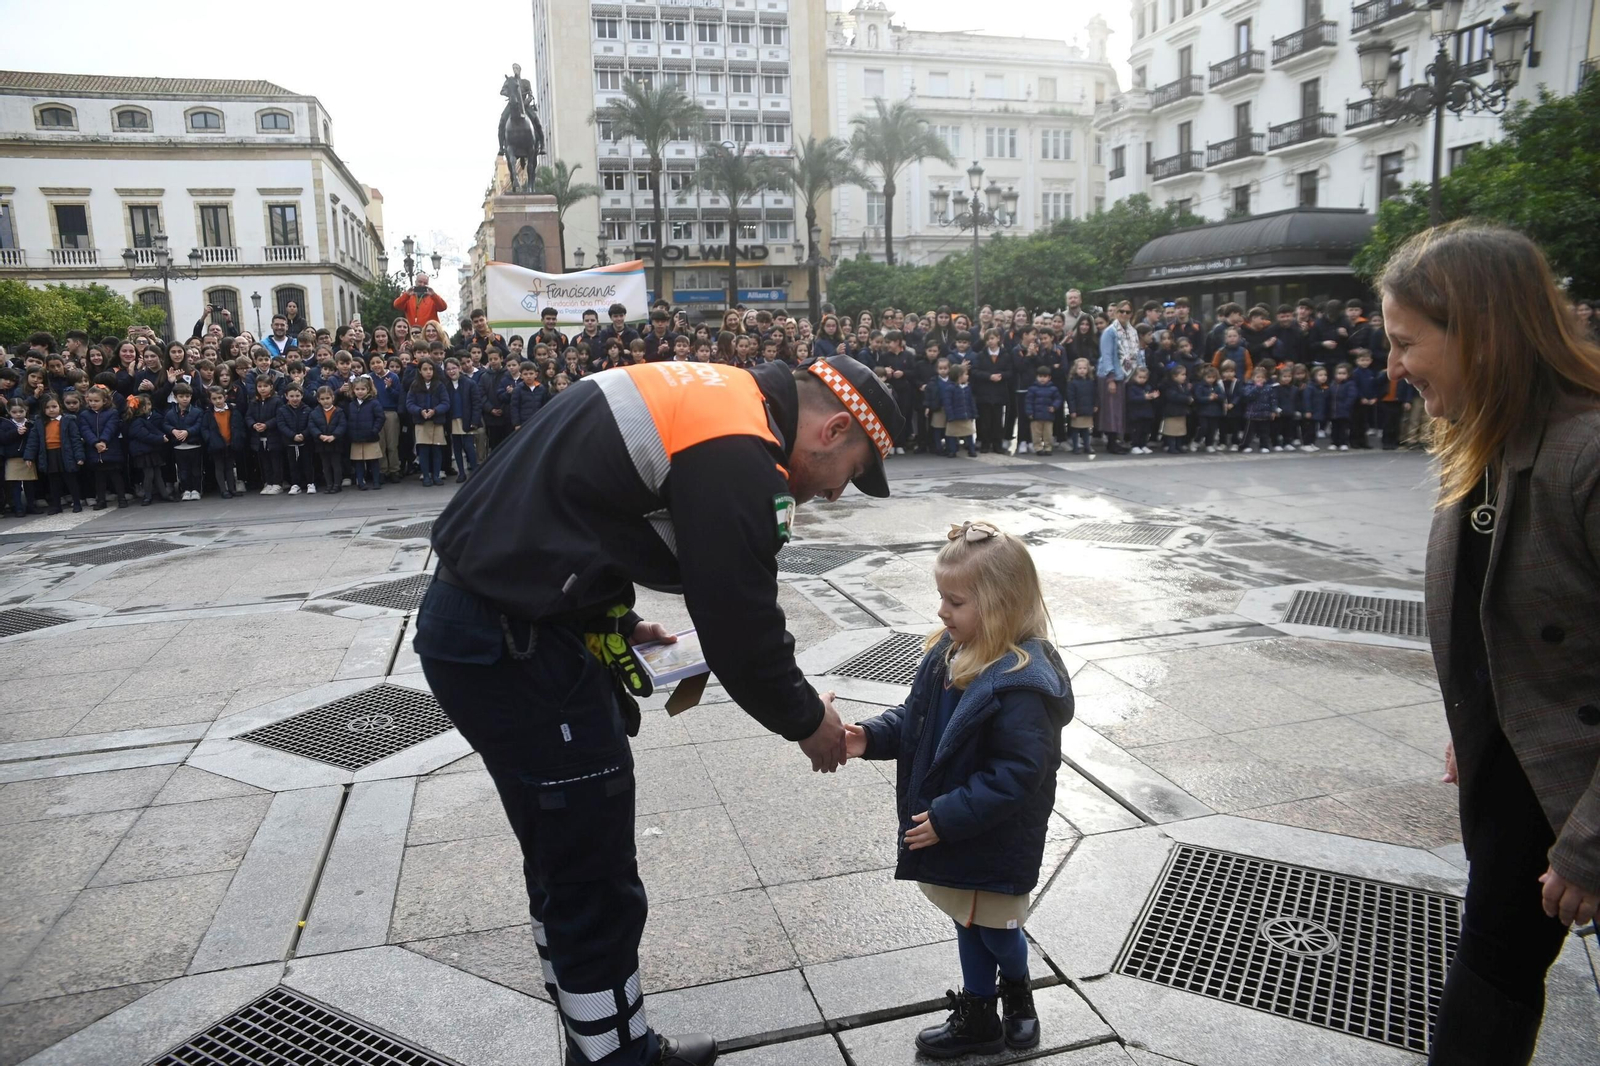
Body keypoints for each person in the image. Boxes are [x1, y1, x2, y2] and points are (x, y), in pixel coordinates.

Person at [414, 353, 902, 1066]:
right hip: (514, 647)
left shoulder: (708, 392)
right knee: (591, 863)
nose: (833, 495)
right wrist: (810, 721)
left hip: (493, 627)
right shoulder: (740, 447)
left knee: (561, 850)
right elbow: (744, 631)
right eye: (850, 476)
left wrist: (608, 615)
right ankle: (617, 1057)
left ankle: (595, 1032)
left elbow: (575, 507)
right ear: (832, 431)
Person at [1375, 223, 1600, 1065]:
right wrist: (1483, 717)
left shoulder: (1590, 455)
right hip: (1515, 782)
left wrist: (1589, 843)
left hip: (1577, 799)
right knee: (1490, 985)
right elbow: (1508, 618)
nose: (1394, 369)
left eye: (1407, 343)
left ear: (1481, 333)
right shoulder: (1480, 444)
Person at [843, 520, 1072, 1059]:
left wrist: (948, 817)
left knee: (997, 930)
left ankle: (1017, 992)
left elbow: (1018, 774)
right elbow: (916, 721)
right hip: (954, 831)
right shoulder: (949, 651)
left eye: (955, 601)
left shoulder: (1022, 683)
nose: (942, 612)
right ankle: (978, 1014)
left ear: (1000, 605)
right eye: (941, 598)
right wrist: (867, 737)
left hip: (992, 836)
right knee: (966, 922)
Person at [24, 393, 85, 513]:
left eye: (54, 406)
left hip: (65, 454)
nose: (51, 410)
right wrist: (29, 457)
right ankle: (56, 505)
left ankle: (77, 503)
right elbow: (33, 441)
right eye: (47, 407)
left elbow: (75, 439)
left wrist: (79, 456)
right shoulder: (40, 422)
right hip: (49, 454)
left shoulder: (68, 420)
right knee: (53, 482)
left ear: (60, 407)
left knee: (70, 480)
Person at [1096, 303, 1139, 454]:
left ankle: (1118, 440)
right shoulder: (1110, 331)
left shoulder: (1132, 331)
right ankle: (1111, 442)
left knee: (1120, 410)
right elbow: (1107, 355)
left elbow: (1135, 353)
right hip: (1111, 374)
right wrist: (1111, 378)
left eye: (1128, 312)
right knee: (1111, 411)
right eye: (1121, 311)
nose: (1124, 314)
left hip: (1125, 375)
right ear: (1116, 313)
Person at [78, 386, 128, 509]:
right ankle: (101, 500)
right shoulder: (84, 415)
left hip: (110, 448)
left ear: (104, 401)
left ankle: (122, 498)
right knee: (99, 478)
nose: (93, 403)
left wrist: (104, 441)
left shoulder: (112, 412)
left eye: (96, 401)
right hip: (94, 450)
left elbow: (111, 428)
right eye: (90, 401)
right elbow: (85, 430)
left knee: (115, 476)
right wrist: (95, 443)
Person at [407, 358, 450, 486]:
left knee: (437, 449)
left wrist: (435, 411)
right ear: (420, 371)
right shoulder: (415, 385)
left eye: (431, 369)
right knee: (424, 450)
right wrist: (420, 411)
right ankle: (426, 476)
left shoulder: (439, 385)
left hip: (436, 421)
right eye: (425, 369)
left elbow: (446, 402)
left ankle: (436, 475)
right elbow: (409, 403)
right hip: (421, 422)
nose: (428, 372)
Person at [124, 395, 171, 505]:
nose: (149, 408)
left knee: (157, 473)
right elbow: (145, 436)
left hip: (149, 451)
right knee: (149, 475)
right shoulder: (137, 422)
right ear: (142, 408)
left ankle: (164, 494)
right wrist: (160, 439)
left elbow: (152, 430)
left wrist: (161, 436)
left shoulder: (140, 420)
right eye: (147, 406)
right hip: (144, 452)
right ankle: (147, 496)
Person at [203, 385, 244, 498]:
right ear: (210, 400)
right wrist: (210, 439)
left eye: (220, 398)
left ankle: (232, 488)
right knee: (219, 467)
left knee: (230, 467)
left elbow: (238, 425)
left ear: (225, 397)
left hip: (230, 442)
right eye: (214, 399)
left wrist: (238, 438)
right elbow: (205, 428)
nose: (218, 401)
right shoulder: (209, 413)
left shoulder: (232, 410)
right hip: (216, 445)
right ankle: (223, 490)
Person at [247, 375, 284, 494]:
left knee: (275, 461)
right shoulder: (254, 402)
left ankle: (277, 483)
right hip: (259, 438)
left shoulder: (277, 400)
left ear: (271, 387)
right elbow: (248, 416)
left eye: (265, 386)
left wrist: (267, 425)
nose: (262, 389)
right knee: (264, 462)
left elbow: (279, 417)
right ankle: (268, 482)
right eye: (259, 386)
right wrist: (254, 425)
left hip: (273, 437)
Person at [347, 376, 385, 491]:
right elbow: (349, 420)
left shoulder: (374, 403)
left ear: (368, 389)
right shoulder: (351, 404)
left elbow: (380, 418)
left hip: (370, 436)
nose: (360, 392)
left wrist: (374, 431)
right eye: (357, 389)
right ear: (353, 390)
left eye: (363, 389)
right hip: (356, 437)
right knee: (358, 461)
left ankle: (376, 481)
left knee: (373, 460)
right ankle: (360, 482)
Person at [277, 384, 314, 494]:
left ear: (302, 396)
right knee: (293, 465)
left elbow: (310, 424)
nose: (295, 399)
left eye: (297, 396)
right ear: (286, 396)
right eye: (291, 396)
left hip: (305, 442)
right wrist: (293, 435)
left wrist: (303, 435)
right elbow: (281, 425)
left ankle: (310, 483)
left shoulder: (307, 409)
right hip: (290, 443)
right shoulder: (282, 410)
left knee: (308, 464)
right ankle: (295, 484)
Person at [1021, 364, 1060, 457]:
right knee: (1036, 434)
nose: (1042, 379)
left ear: (1049, 377)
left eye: (1045, 377)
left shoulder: (1053, 389)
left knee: (1048, 434)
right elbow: (1028, 401)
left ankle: (1048, 447)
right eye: (1040, 376)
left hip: (1048, 415)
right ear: (1036, 377)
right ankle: (1038, 448)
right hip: (1036, 416)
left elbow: (1058, 399)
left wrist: (1054, 406)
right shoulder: (1032, 389)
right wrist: (1029, 412)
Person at [1064, 358, 1096, 457]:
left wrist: (1095, 405)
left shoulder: (1091, 381)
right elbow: (1071, 398)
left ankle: (1087, 446)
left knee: (1086, 429)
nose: (1082, 370)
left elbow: (1095, 394)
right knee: (1075, 430)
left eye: (1084, 368)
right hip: (1077, 410)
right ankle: (1075, 446)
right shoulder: (1072, 383)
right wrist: (1072, 410)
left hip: (1087, 409)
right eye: (1080, 368)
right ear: (1075, 369)